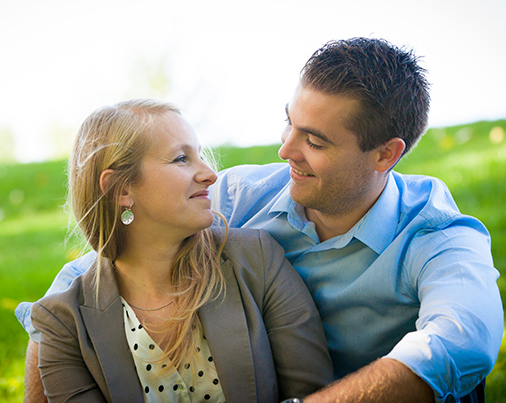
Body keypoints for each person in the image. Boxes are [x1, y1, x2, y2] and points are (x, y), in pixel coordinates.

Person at [18, 38, 503, 403]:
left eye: (315, 141)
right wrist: (51, 333)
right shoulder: (238, 195)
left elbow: (464, 341)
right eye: (289, 122)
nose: (286, 150)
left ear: (385, 155)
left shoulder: (435, 234)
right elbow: (105, 264)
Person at [31, 99, 332, 402]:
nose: (209, 175)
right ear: (120, 189)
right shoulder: (63, 324)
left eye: (200, 155)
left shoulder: (258, 261)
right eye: (180, 159)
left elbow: (316, 396)